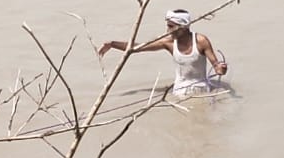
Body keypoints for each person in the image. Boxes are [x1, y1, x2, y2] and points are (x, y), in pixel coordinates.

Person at [97, 9, 229, 98]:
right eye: (167, 25)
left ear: (183, 27)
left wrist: (220, 69)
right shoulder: (168, 43)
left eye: (171, 26)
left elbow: (216, 65)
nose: (167, 30)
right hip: (179, 92)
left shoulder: (201, 41)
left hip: (202, 90)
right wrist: (113, 44)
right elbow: (138, 47)